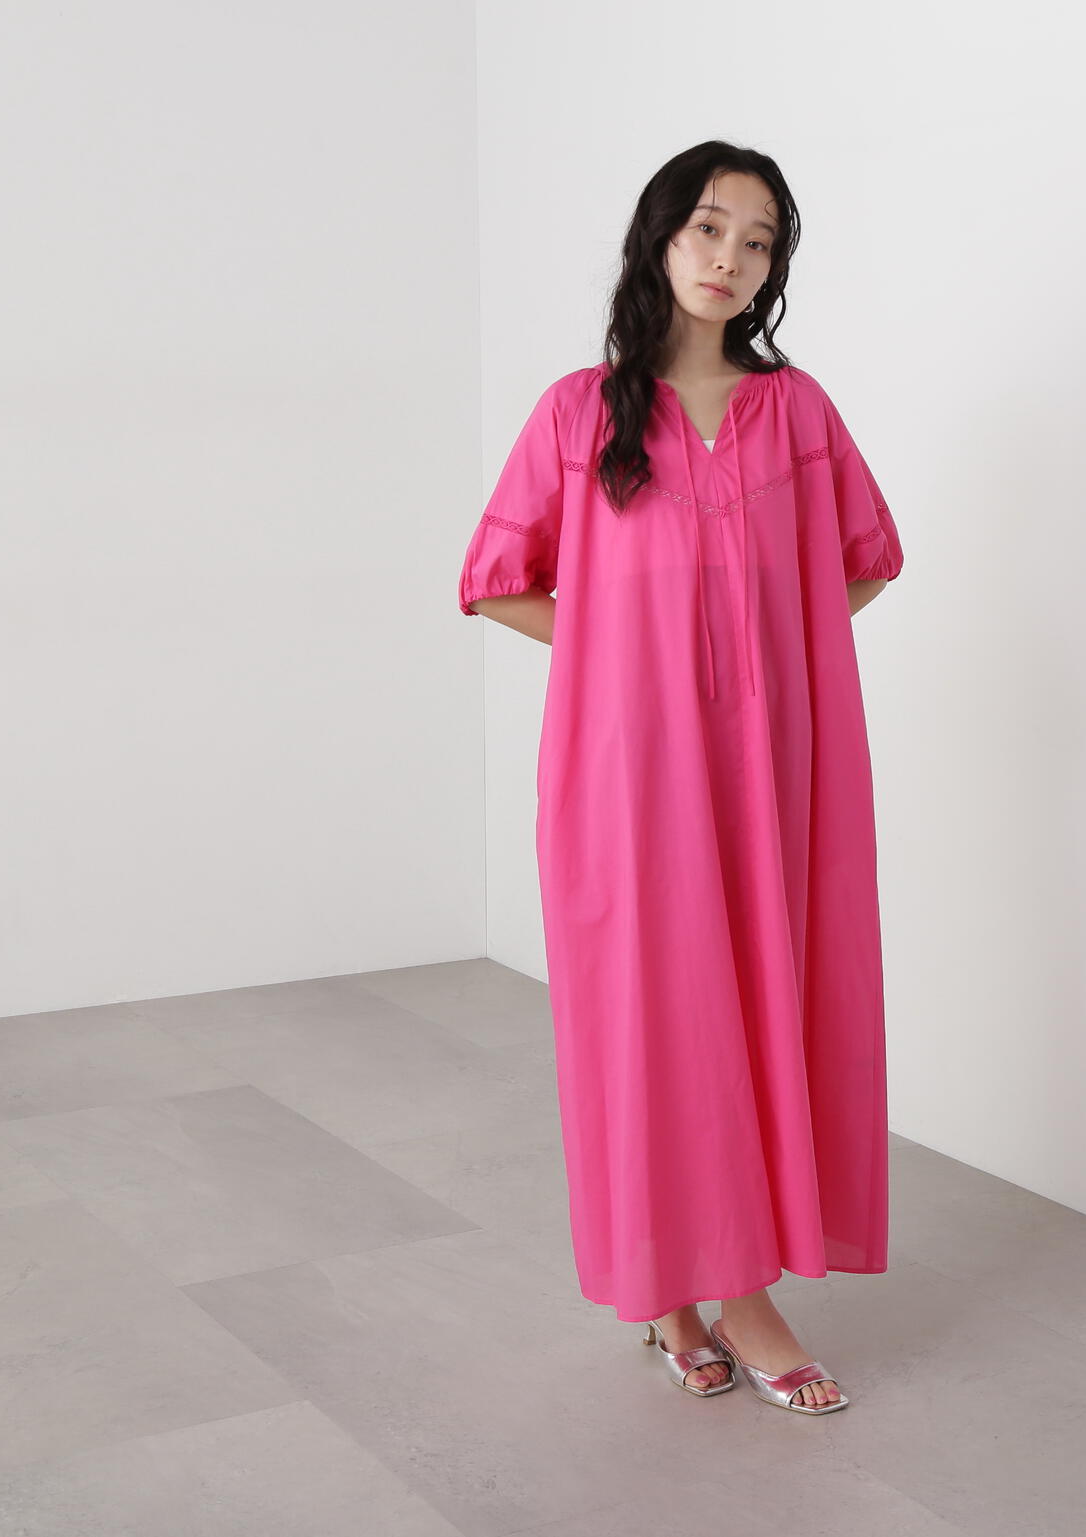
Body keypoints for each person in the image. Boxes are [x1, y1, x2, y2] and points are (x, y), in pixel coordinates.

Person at [457, 141, 904, 1415]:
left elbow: (865, 560)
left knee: (762, 1000)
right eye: (709, 227)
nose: (729, 258)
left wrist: (774, 660)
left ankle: (714, 1293)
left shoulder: (795, 411)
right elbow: (494, 580)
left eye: (757, 242)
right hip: (628, 767)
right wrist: (622, 656)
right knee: (655, 1013)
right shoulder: (577, 413)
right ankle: (694, 1293)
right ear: (660, 236)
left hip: (768, 770)